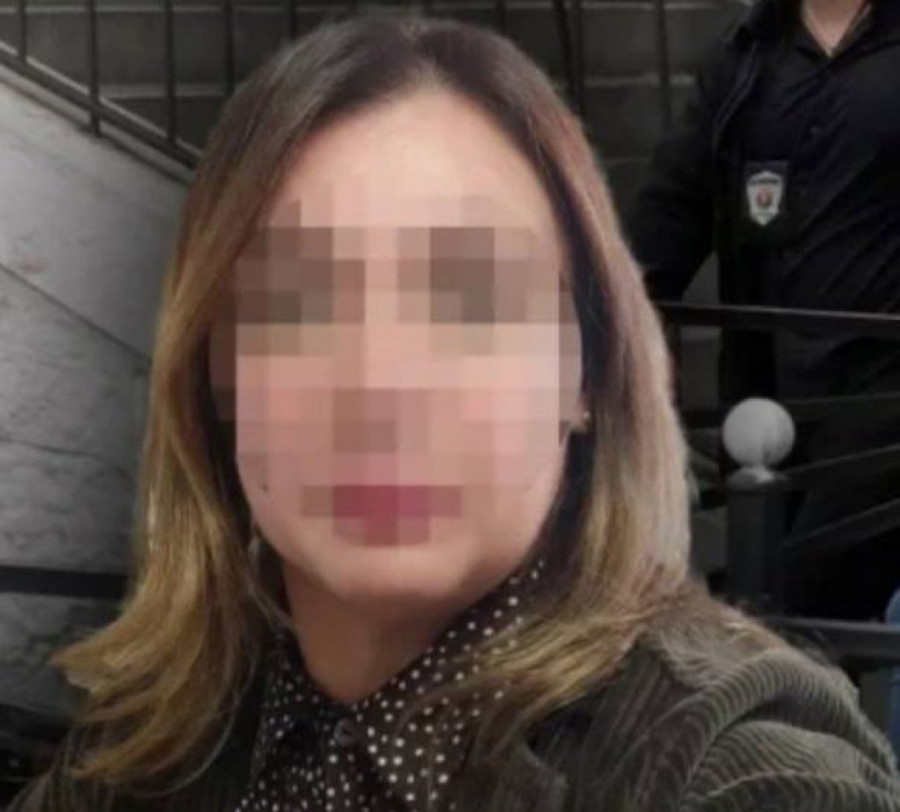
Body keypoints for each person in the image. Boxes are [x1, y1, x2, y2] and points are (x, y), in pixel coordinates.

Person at [6, 9, 900, 812]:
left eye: (472, 301)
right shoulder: (146, 753)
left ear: (586, 371)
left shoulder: (724, 768)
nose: (381, 382)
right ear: (214, 371)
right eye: (300, 304)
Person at [624, 0, 900, 622]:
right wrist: (622, 300)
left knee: (802, 603)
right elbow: (676, 203)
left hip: (883, 396)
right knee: (779, 594)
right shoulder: (748, 54)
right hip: (774, 399)